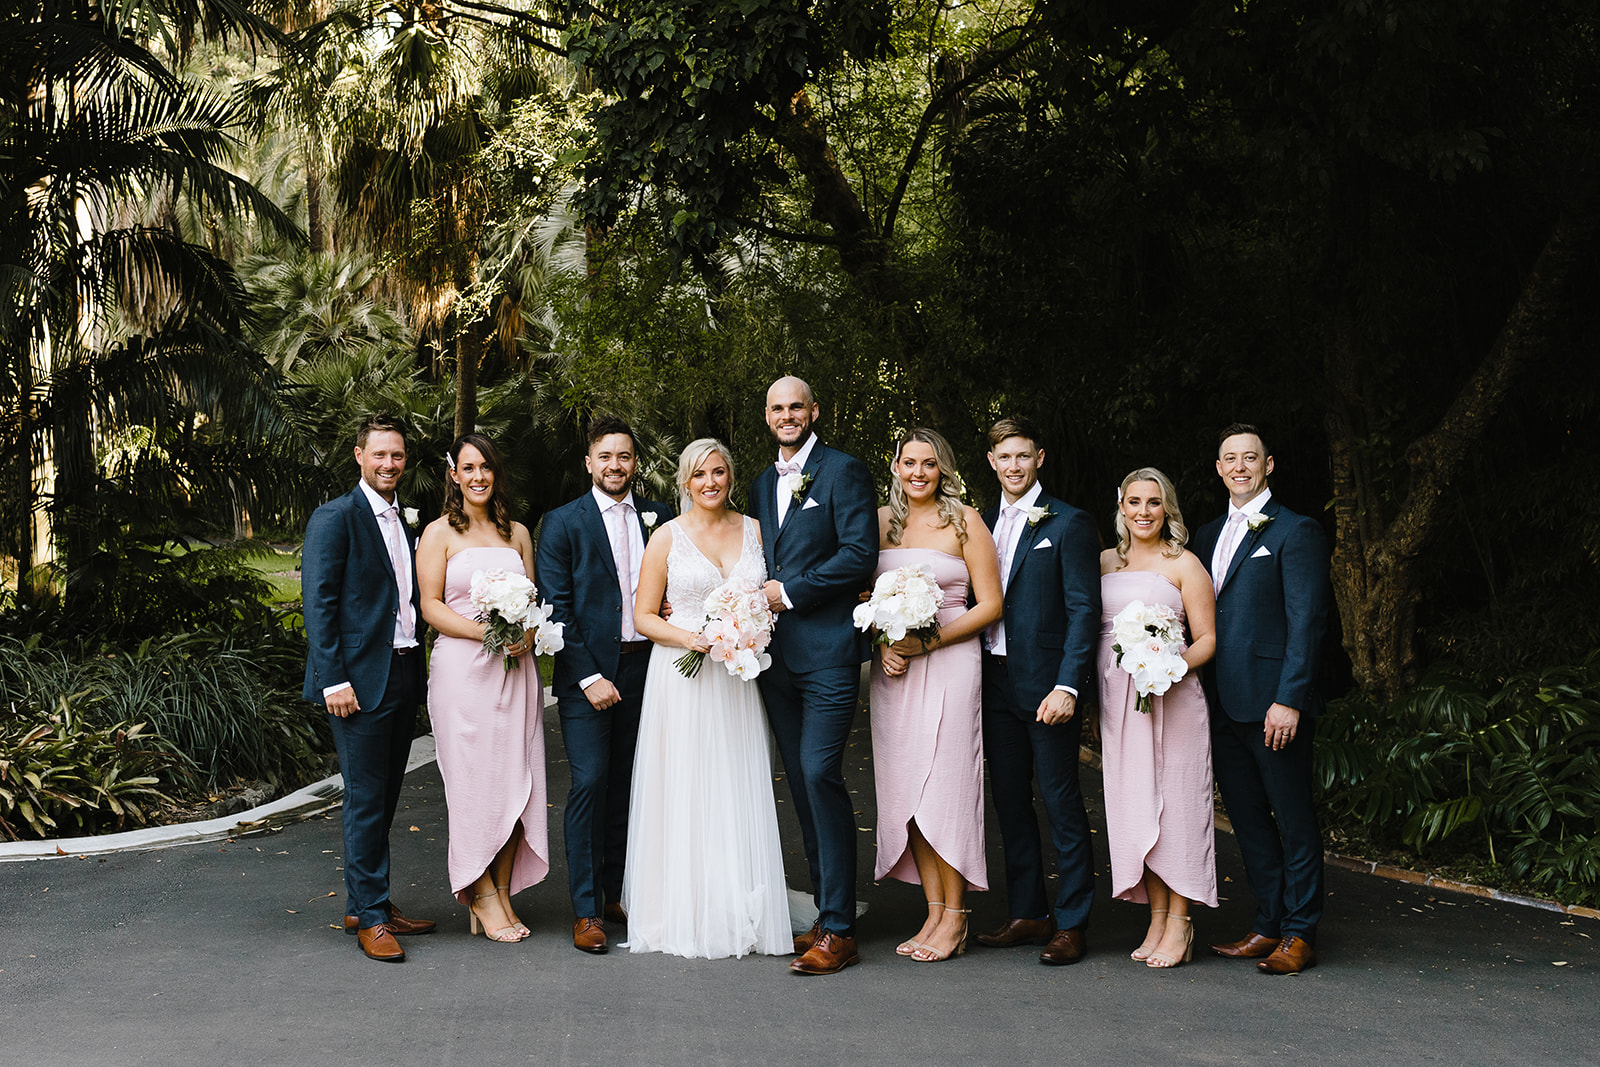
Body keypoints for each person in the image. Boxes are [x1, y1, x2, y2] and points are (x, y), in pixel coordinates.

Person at [621, 439, 791, 959]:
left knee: (733, 780)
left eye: (719, 473)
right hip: (683, 674)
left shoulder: (757, 531)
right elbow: (644, 616)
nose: (710, 482)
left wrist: (748, 627)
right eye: (700, 475)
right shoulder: (666, 537)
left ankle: (738, 898)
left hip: (737, 676)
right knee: (686, 782)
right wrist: (691, 638)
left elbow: (773, 597)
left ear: (730, 477)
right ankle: (685, 905)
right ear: (685, 482)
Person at [747, 376, 878, 975]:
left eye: (796, 405)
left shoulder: (842, 471)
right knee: (799, 780)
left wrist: (790, 593)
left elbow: (858, 554)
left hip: (828, 651)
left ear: (814, 410)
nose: (787, 415)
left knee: (822, 772)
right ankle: (829, 914)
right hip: (774, 659)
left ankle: (841, 931)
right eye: (777, 407)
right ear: (767, 416)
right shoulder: (757, 484)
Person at [1190, 423, 1331, 976]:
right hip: (1220, 705)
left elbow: (1308, 621)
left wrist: (1290, 698)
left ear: (1268, 465)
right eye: (1230, 459)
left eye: (1251, 457)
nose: (1240, 466)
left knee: (1293, 821)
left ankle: (1300, 933)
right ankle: (1268, 924)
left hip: (1273, 706)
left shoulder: (1297, 532)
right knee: (1248, 822)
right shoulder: (1204, 535)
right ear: (1220, 469)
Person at [534, 416, 675, 954]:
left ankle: (618, 892)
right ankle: (588, 909)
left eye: (625, 456)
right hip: (588, 671)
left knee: (632, 783)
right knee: (591, 783)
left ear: (635, 463)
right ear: (589, 463)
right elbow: (555, 607)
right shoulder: (563, 522)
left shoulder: (660, 518)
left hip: (651, 666)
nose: (616, 465)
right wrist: (589, 675)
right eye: (606, 457)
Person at [301, 412, 436, 962]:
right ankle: (373, 919)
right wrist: (333, 678)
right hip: (356, 681)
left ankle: (367, 901)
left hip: (403, 672)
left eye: (397, 455)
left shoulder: (404, 521)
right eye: (379, 454)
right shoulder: (336, 518)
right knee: (363, 798)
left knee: (383, 798)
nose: (389, 463)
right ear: (359, 456)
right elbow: (320, 604)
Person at [867, 429, 1002, 963]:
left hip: (949, 661)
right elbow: (861, 596)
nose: (918, 472)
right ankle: (932, 910)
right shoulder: (879, 522)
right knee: (905, 791)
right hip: (894, 669)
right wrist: (883, 643)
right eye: (908, 462)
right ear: (896, 466)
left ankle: (957, 916)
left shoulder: (966, 520)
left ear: (943, 468)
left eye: (929, 463)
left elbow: (989, 604)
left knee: (945, 789)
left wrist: (927, 642)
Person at [974, 416, 1101, 966]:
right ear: (992, 463)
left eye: (1023, 456)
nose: (1014, 466)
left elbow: (1083, 610)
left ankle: (1072, 922)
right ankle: (1029, 910)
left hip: (1048, 685)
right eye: (1005, 458)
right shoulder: (977, 523)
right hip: (992, 680)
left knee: (1061, 802)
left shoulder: (1069, 524)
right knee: (1008, 800)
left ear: (1040, 458)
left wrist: (1069, 684)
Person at [416, 433, 549, 944]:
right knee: (475, 786)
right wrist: (491, 633)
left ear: (497, 474)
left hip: (516, 673)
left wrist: (528, 634)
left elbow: (534, 602)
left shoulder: (516, 533)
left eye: (486, 467)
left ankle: (501, 892)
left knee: (520, 780)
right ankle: (483, 893)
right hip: (463, 674)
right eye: (468, 468)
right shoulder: (438, 534)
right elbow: (430, 605)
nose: (478, 477)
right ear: (454, 474)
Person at [1098, 467, 1218, 969]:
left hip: (1174, 700)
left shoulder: (1185, 564)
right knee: (1136, 806)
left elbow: (1208, 639)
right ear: (1121, 508)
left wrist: (1169, 667)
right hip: (1119, 702)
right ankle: (1155, 918)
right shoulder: (1105, 562)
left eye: (1154, 503)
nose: (1144, 512)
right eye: (1134, 502)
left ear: (1167, 509)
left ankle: (1181, 922)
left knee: (1178, 807)